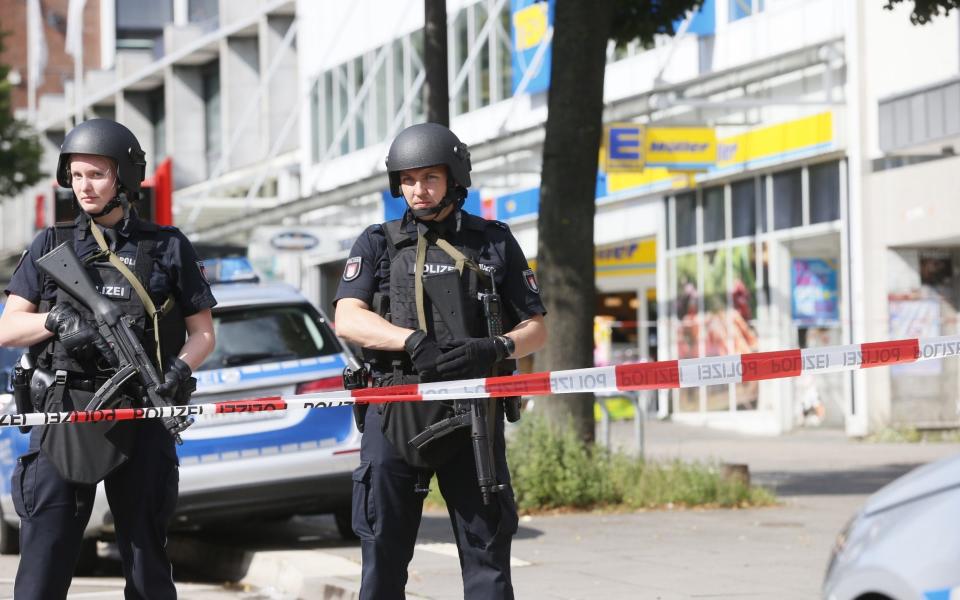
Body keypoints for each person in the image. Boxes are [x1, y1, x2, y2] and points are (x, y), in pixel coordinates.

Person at [0, 118, 216, 599]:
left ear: (124, 177)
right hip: (66, 412)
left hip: (141, 410)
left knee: (147, 567)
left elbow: (203, 333)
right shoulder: (51, 245)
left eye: (96, 174)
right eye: (76, 175)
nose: (84, 187)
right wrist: (55, 322)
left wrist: (179, 369)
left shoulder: (166, 246)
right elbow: (8, 327)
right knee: (42, 567)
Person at [334, 122, 547, 599]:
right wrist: (410, 342)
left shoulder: (492, 241)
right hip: (395, 407)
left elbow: (536, 327)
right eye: (408, 180)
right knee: (382, 558)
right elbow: (347, 318)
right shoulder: (377, 242)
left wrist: (496, 347)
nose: (417, 190)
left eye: (429, 178)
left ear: (454, 178)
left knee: (487, 559)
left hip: (474, 411)